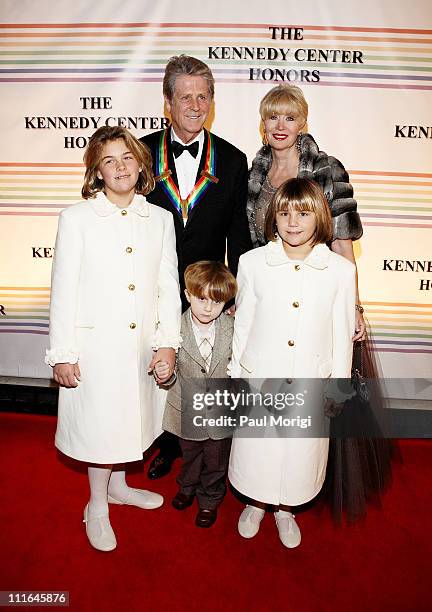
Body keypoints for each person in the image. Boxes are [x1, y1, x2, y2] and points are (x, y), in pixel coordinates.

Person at [45, 126, 181, 552]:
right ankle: (97, 504)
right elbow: (63, 289)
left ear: (141, 163)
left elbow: (167, 286)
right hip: (95, 349)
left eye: (127, 157)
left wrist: (168, 343)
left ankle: (119, 487)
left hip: (140, 346)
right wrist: (62, 353)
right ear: (96, 172)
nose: (120, 167)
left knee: (129, 424)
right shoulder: (77, 218)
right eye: (109, 160)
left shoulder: (159, 218)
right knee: (102, 428)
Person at [228, 178, 356, 548]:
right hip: (260, 376)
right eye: (284, 213)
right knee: (259, 449)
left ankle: (287, 510)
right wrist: (237, 375)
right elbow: (245, 323)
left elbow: (341, 334)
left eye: (302, 213)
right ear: (273, 217)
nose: (293, 222)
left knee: (300, 452)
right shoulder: (252, 263)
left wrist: (338, 386)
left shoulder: (340, 271)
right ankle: (255, 502)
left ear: (319, 217)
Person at [141, 54, 252, 479]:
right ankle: (162, 441)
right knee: (159, 367)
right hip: (151, 285)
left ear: (212, 101)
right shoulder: (141, 151)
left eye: (203, 96)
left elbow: (239, 236)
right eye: (185, 97)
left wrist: (236, 294)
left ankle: (202, 459)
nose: (194, 106)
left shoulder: (233, 159)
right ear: (168, 101)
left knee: (200, 370)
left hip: (206, 293)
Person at [246, 84, 365, 340]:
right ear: (263, 124)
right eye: (273, 117)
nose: (280, 127)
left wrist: (353, 306)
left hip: (316, 294)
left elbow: (343, 248)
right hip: (268, 297)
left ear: (302, 124)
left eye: (290, 118)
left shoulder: (326, 171)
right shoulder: (253, 177)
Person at [156, 261, 237, 528]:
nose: (208, 307)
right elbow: (170, 371)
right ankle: (186, 486)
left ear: (226, 302)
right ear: (187, 295)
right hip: (187, 409)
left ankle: (210, 498)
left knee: (216, 460)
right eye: (201, 299)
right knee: (189, 455)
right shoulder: (172, 329)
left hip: (222, 410)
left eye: (216, 301)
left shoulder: (234, 328)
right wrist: (165, 373)